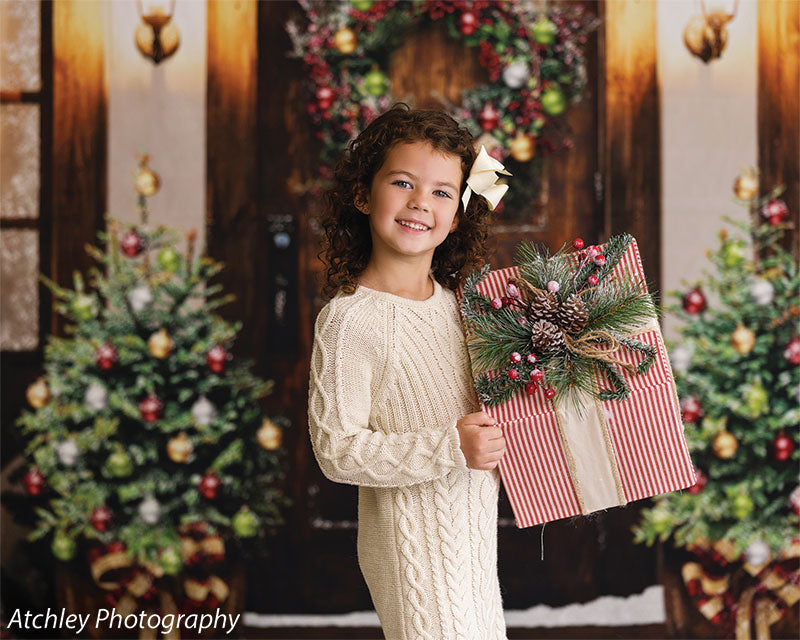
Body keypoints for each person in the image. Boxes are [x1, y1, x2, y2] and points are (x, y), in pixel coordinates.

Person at [308, 102, 510, 639]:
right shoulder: (349, 322)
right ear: (362, 195)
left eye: (442, 192)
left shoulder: (461, 308)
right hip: (413, 550)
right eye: (403, 183)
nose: (421, 202)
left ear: (458, 214)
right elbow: (336, 450)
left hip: (472, 543)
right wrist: (450, 446)